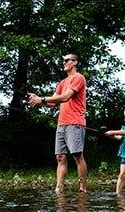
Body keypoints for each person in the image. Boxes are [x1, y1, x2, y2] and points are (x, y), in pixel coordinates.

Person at [28, 53, 88, 193]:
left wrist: (42, 99)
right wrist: (37, 100)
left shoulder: (79, 78)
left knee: (77, 155)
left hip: (75, 122)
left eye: (67, 60)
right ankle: (59, 188)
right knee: (60, 157)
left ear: (75, 62)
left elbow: (66, 97)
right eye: (63, 61)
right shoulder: (62, 83)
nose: (64, 63)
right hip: (61, 123)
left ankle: (82, 188)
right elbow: (51, 103)